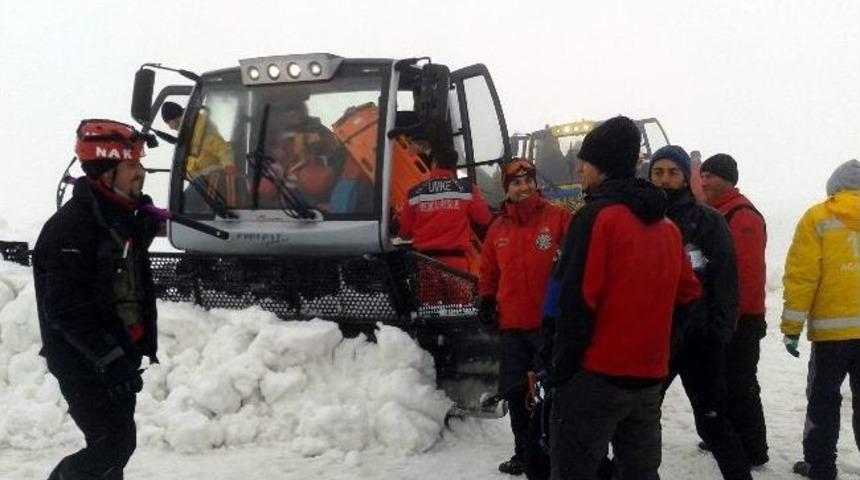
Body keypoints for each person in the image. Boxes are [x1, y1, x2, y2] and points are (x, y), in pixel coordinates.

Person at [545, 117, 701, 480]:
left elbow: (575, 302)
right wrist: (663, 349)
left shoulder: (595, 218)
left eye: (586, 162)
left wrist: (560, 369)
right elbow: (687, 294)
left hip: (594, 378)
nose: (580, 169)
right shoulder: (668, 228)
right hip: (647, 380)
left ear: (603, 166)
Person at [34, 119, 161, 480]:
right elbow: (67, 307)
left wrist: (140, 228)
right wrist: (110, 358)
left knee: (117, 447)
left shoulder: (116, 219)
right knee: (110, 446)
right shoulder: (70, 229)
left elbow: (113, 270)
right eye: (133, 167)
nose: (142, 174)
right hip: (85, 360)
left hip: (116, 356)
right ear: (107, 174)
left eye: (141, 166)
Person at [649, 145, 751, 480]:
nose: (664, 179)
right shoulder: (641, 218)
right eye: (658, 172)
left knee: (712, 420)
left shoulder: (708, 220)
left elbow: (725, 280)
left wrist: (720, 333)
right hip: (654, 341)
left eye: (672, 172)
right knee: (640, 419)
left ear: (683, 176)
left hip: (699, 340)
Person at [478, 158, 571, 475]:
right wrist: (487, 299)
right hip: (512, 330)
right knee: (518, 395)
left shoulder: (558, 219)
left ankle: (555, 452)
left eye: (528, 180)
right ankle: (524, 453)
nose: (524, 187)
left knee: (552, 395)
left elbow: (575, 265)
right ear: (507, 189)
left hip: (549, 329)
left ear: (536, 183)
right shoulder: (497, 229)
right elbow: (488, 271)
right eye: (516, 183)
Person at [781, 159, 860, 480]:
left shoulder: (818, 217)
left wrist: (791, 328)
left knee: (823, 401)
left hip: (831, 337)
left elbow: (802, 277)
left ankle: (820, 465)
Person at [700, 153, 769, 466]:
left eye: (710, 176)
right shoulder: (718, 212)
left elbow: (746, 274)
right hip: (724, 315)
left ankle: (753, 450)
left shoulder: (742, 216)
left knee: (741, 384)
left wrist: (731, 316)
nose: (703, 181)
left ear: (728, 179)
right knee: (721, 381)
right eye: (702, 175)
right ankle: (725, 436)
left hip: (742, 317)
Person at [398, 147, 493, 274]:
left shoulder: (414, 193)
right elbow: (484, 219)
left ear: (434, 164)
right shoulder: (467, 190)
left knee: (430, 294)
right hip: (456, 265)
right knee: (459, 294)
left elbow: (404, 234)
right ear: (453, 166)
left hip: (425, 264)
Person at [161, 101, 235, 179]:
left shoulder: (202, 128)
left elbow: (222, 148)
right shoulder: (188, 131)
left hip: (212, 176)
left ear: (177, 118)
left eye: (171, 123)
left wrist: (228, 165)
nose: (171, 128)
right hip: (199, 179)